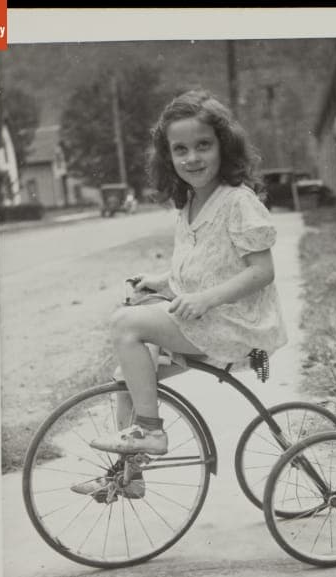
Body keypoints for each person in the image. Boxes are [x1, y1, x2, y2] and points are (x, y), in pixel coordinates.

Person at [74, 89, 287, 498]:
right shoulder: (189, 204)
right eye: (181, 149)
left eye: (203, 145)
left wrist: (205, 299)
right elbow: (203, 268)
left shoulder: (237, 202)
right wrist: (161, 281)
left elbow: (262, 272)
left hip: (233, 324)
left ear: (223, 146)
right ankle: (129, 476)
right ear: (168, 156)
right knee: (128, 379)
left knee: (125, 325)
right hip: (205, 321)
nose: (193, 158)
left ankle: (151, 431)